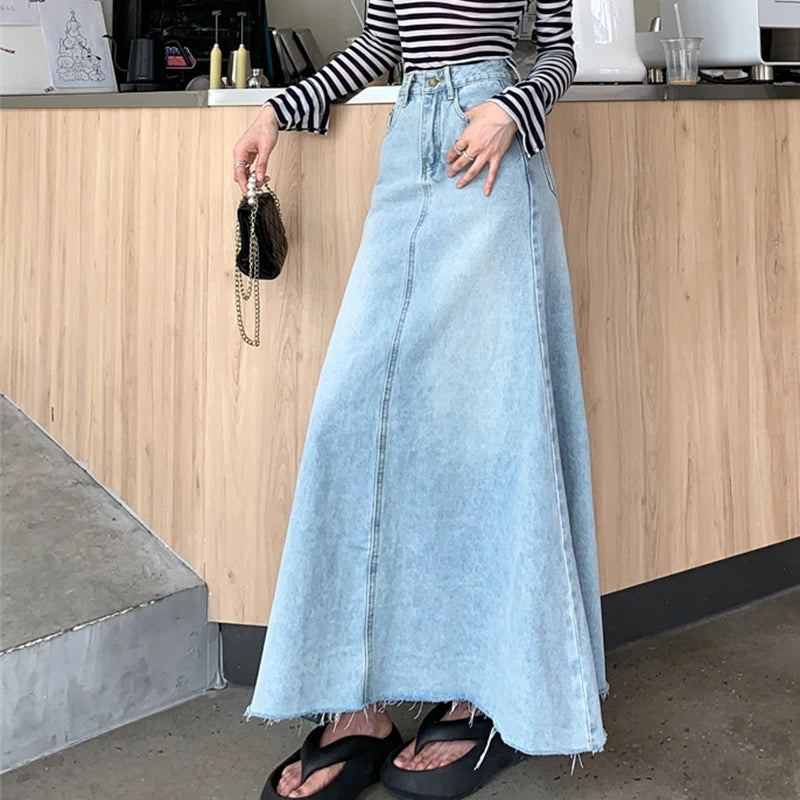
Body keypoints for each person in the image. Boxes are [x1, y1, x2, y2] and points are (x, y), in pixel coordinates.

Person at [232, 2, 610, 798]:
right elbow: (380, 44)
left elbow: (560, 50)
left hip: (491, 161)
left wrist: (513, 109)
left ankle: (485, 692)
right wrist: (277, 111)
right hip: (408, 156)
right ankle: (357, 706)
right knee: (350, 422)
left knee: (488, 431)